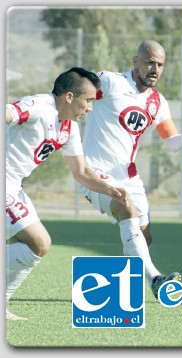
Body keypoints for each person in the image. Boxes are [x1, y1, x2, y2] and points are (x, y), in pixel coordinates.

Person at [80, 40, 182, 299]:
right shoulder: (110, 82)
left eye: (160, 64)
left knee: (144, 238)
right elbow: (76, 89)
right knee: (125, 207)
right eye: (149, 62)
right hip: (94, 171)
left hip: (129, 176)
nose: (155, 68)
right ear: (135, 62)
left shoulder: (158, 102)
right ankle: (156, 279)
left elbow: (171, 143)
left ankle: (122, 290)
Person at [5, 67, 128, 320]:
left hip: (14, 186)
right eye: (89, 100)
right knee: (39, 242)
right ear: (70, 96)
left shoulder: (68, 128)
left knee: (25, 244)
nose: (91, 108)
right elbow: (7, 112)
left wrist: (110, 189)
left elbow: (81, 171)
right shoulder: (40, 106)